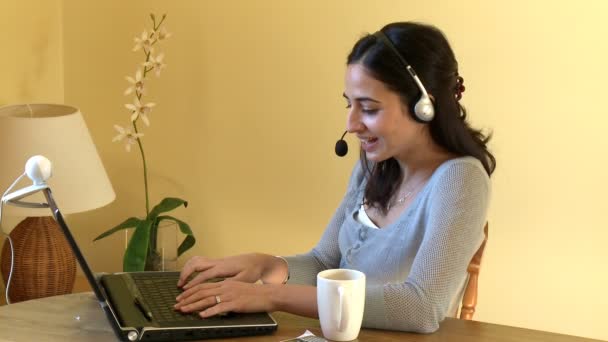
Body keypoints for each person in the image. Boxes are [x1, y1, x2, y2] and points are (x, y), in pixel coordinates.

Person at [174, 21, 495, 333]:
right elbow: (325, 264)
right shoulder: (376, 166)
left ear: (423, 107)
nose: (352, 124)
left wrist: (270, 295)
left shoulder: (460, 179)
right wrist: (264, 266)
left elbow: (420, 307)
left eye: (368, 109)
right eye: (350, 104)